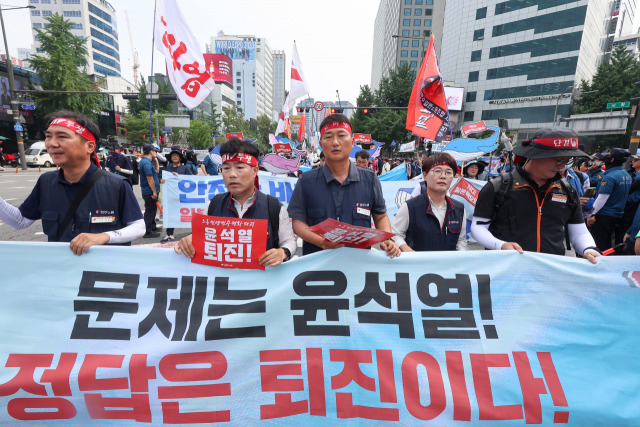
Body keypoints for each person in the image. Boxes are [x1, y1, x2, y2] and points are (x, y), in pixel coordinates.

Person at [0, 110, 145, 254]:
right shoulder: (46, 182)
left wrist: (104, 237)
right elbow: (20, 220)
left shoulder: (116, 185)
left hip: (101, 272)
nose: (52, 144)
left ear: (89, 146)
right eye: (48, 137)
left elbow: (138, 227)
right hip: (61, 271)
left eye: (62, 137)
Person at [470, 127, 600, 264]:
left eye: (566, 161)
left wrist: (588, 249)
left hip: (551, 272)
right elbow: (478, 227)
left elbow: (579, 232)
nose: (561, 166)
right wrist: (501, 245)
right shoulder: (498, 187)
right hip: (506, 271)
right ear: (535, 155)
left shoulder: (567, 191)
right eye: (558, 160)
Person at [287, 113, 400, 257]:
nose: (335, 142)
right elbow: (298, 223)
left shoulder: (370, 179)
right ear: (321, 144)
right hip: (317, 268)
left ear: (352, 142)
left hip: (359, 266)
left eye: (341, 135)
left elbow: (381, 216)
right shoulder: (306, 181)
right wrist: (321, 242)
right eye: (328, 137)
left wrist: (387, 239)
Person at [175, 137, 296, 267]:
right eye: (226, 168)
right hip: (223, 284)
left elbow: (289, 241)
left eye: (239, 167)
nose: (232, 174)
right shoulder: (213, 205)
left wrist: (282, 253)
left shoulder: (273, 207)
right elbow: (199, 239)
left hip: (263, 284)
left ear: (255, 170)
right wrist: (189, 241)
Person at [393, 153, 467, 251]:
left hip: (449, 265)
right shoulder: (410, 207)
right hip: (418, 265)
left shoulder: (459, 209)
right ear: (425, 175)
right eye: (437, 171)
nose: (443, 176)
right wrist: (408, 251)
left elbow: (461, 240)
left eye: (448, 172)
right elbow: (396, 235)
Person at [585, 148, 632, 253]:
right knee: (613, 246)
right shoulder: (626, 175)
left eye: (608, 157)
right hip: (619, 215)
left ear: (612, 160)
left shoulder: (609, 177)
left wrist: (590, 214)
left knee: (600, 245)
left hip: (604, 217)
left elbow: (602, 198)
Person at [160, 148, 193, 243]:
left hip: (183, 197)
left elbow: (190, 181)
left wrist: (178, 177)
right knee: (170, 214)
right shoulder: (167, 169)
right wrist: (162, 180)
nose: (174, 157)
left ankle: (194, 232)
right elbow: (161, 178)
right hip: (171, 196)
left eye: (177, 155)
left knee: (188, 214)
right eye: (173, 155)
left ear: (180, 158)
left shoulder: (185, 168)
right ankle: (169, 234)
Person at [139, 144, 161, 238]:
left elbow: (157, 171)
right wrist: (154, 192)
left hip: (149, 190)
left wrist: (155, 160)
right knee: (150, 211)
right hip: (149, 191)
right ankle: (148, 231)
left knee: (152, 209)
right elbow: (150, 178)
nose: (156, 153)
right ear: (151, 151)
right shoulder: (146, 163)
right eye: (155, 151)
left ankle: (152, 227)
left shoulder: (147, 162)